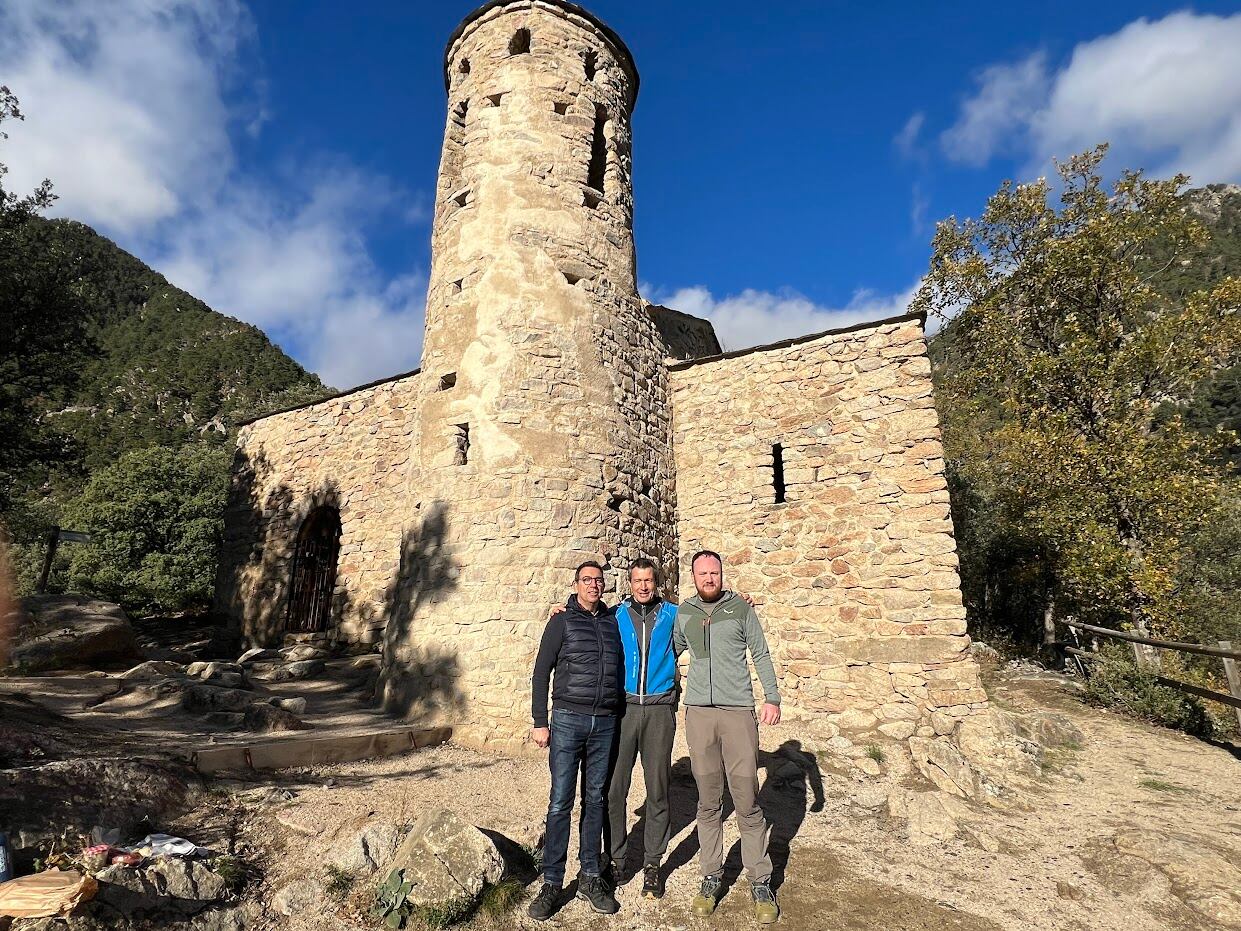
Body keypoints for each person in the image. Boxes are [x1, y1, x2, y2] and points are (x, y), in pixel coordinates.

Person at [674, 550, 781, 924]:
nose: (709, 578)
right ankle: (711, 876)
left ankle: (760, 879)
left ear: (722, 574)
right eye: (702, 573)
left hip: (738, 714)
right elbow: (664, 652)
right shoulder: (684, 613)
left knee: (747, 800)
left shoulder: (741, 609)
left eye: (714, 573)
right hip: (700, 715)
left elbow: (761, 654)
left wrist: (772, 697)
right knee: (707, 802)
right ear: (694, 577)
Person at [528, 561, 623, 921]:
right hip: (567, 720)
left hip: (605, 723)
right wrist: (540, 722)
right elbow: (541, 672)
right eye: (587, 580)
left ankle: (590, 876)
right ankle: (552, 881)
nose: (593, 586)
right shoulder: (561, 621)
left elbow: (649, 605)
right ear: (576, 584)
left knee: (595, 799)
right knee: (560, 802)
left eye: (599, 581)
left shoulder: (613, 621)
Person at [605, 557, 678, 899]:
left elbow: (709, 620)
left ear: (655, 582)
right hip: (624, 710)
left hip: (660, 712)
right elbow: (584, 623)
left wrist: (738, 602)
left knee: (658, 789)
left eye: (649, 580)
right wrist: (563, 611)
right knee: (614, 789)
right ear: (629, 583)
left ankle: (652, 863)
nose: (644, 586)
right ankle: (618, 858)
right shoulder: (615, 615)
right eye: (638, 581)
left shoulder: (674, 615)